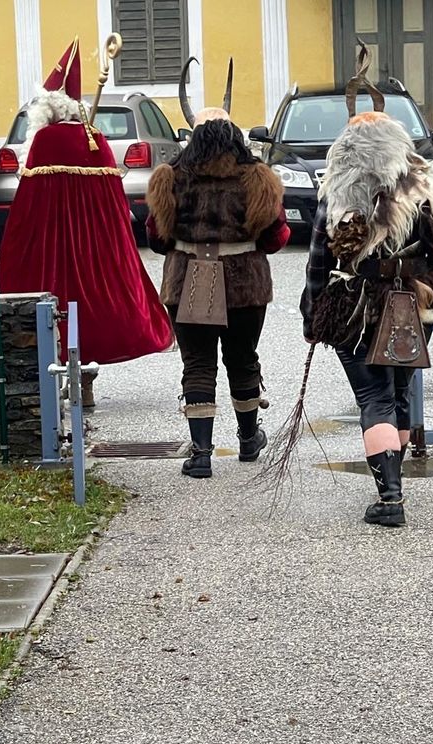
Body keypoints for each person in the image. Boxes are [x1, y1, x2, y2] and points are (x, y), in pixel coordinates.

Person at [299, 68, 433, 526]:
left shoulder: (336, 187)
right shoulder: (421, 181)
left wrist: (313, 314)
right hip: (417, 303)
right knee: (398, 390)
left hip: (354, 306)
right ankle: (395, 479)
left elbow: (318, 259)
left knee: (373, 397)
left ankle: (389, 497)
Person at [0, 38, 173, 408]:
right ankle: (87, 383)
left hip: (49, 244)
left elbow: (28, 205)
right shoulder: (97, 142)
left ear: (48, 110)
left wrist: (18, 245)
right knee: (91, 309)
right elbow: (112, 203)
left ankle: (58, 383)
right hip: (93, 246)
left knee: (51, 306)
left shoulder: (43, 142)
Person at [146, 57, 290, 479]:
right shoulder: (258, 177)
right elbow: (276, 239)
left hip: (187, 278)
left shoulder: (169, 178)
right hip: (245, 285)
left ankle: (203, 453)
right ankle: (248, 440)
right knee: (243, 359)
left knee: (197, 363)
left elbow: (157, 239)